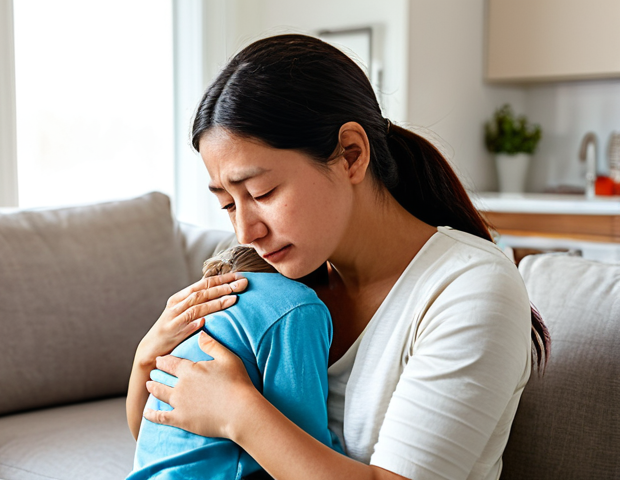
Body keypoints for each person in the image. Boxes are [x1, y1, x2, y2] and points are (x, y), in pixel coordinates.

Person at [127, 34, 550, 480]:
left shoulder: (469, 288)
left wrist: (237, 413)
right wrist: (146, 359)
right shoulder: (268, 275)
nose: (246, 232)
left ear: (351, 154)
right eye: (229, 204)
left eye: (262, 193)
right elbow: (171, 446)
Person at [127, 246, 341, 480]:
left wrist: (143, 360)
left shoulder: (205, 309)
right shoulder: (299, 306)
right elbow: (307, 453)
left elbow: (147, 437)